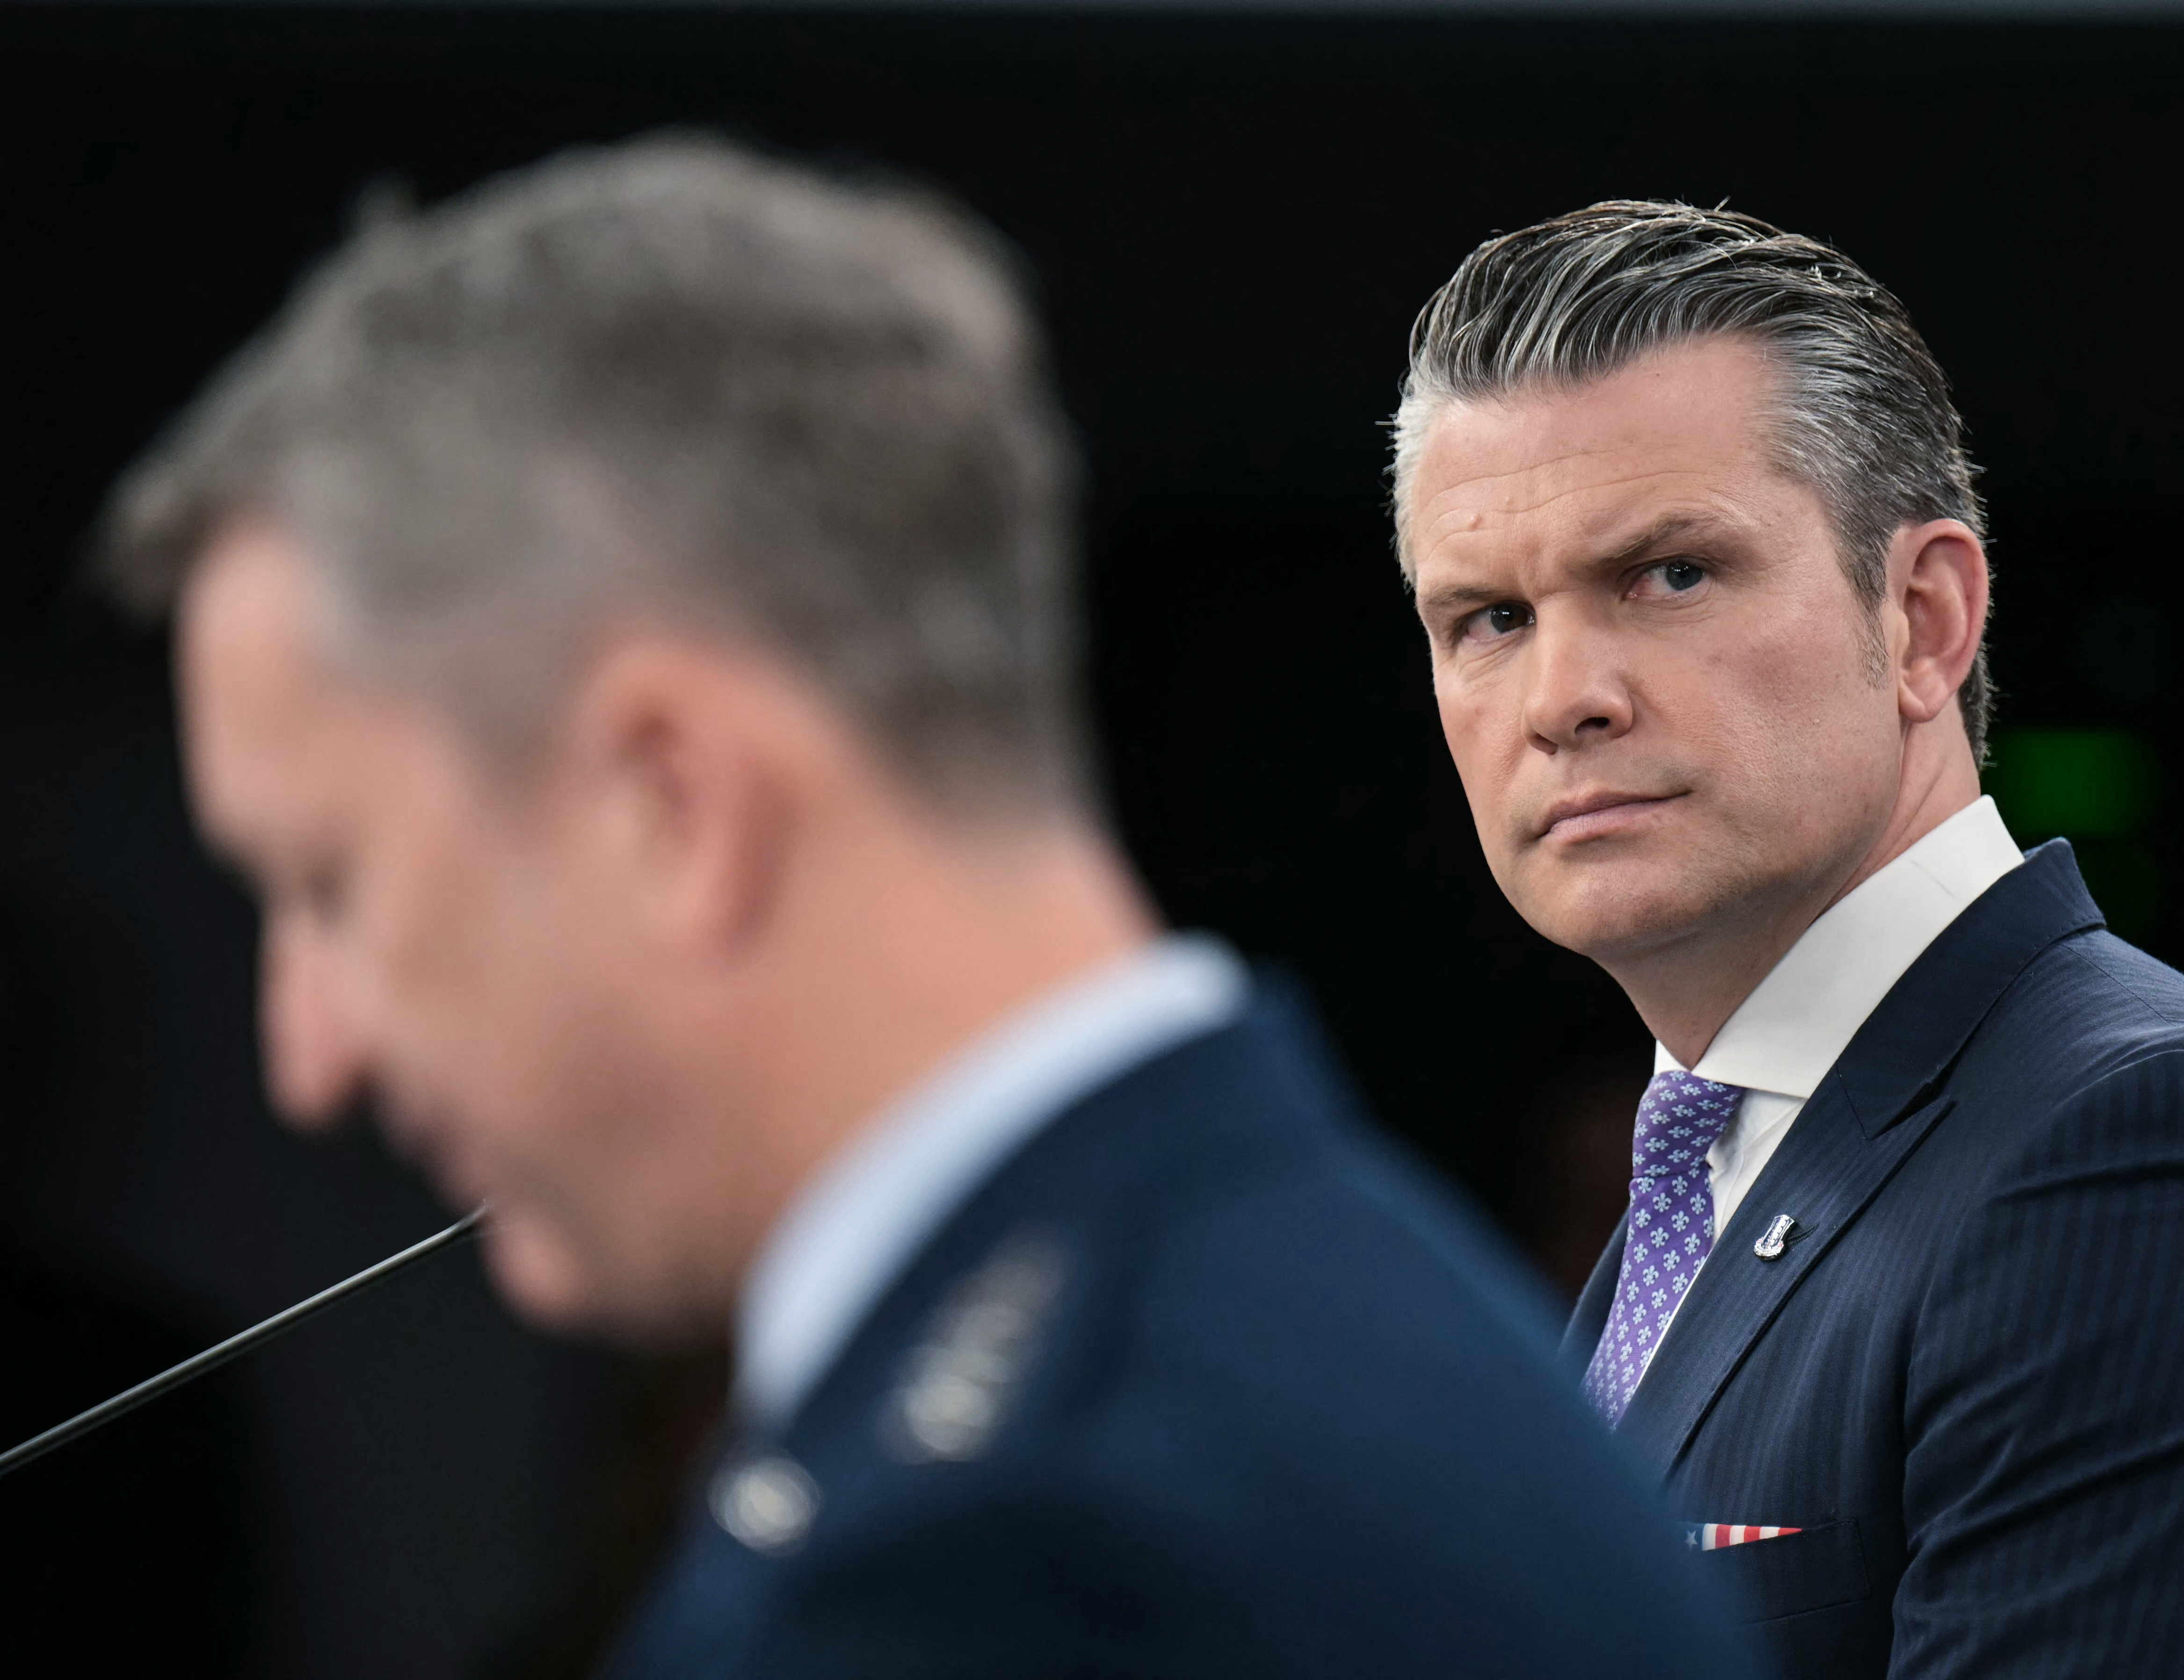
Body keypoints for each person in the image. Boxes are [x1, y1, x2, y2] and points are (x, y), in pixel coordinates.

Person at [97, 143, 1748, 1678]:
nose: (306, 1053)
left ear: (671, 800)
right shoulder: (1333, 1318)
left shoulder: (985, 1569)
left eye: (333, 884)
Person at [1388, 201, 2184, 1677]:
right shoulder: (1714, 1175)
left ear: (1923, 621)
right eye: (1488, 619)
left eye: (1669, 575)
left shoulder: (2151, 1154)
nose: (1562, 696)